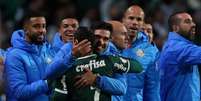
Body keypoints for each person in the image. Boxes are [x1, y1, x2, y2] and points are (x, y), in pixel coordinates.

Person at [4, 13, 91, 101]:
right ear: (26, 30)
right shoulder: (14, 56)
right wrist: (48, 83)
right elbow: (20, 93)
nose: (41, 30)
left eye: (43, 26)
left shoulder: (48, 50)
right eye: (36, 26)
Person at [61, 27, 143, 101]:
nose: (101, 42)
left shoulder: (67, 67)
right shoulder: (109, 61)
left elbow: (122, 88)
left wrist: (96, 79)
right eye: (98, 37)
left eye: (106, 39)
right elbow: (138, 67)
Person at [122, 5, 160, 101]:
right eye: (131, 18)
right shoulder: (110, 44)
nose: (134, 22)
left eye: (139, 19)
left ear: (142, 23)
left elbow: (153, 87)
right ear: (123, 20)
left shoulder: (150, 50)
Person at [159, 12, 199, 101]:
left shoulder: (172, 45)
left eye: (192, 21)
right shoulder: (176, 48)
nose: (193, 24)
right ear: (175, 28)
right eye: (187, 22)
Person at [50, 17, 79, 101]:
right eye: (66, 26)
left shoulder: (86, 51)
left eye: (74, 26)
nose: (70, 29)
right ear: (59, 30)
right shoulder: (50, 51)